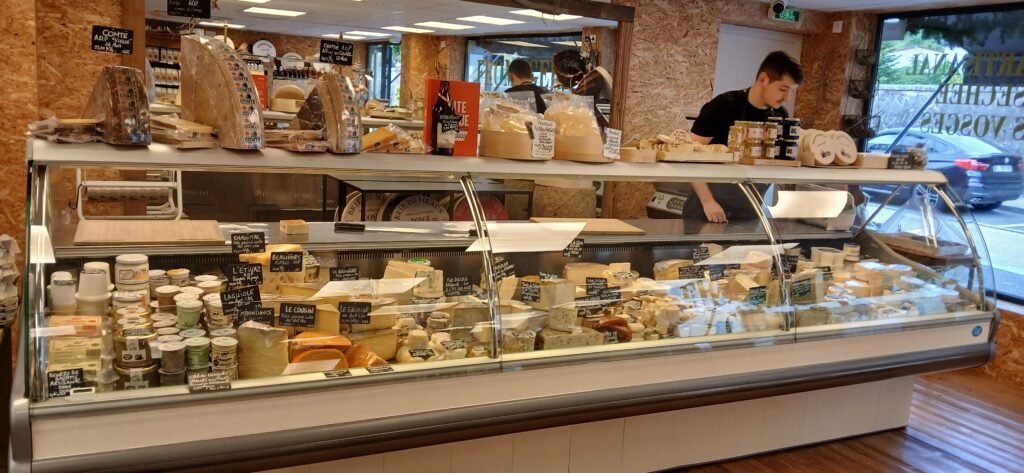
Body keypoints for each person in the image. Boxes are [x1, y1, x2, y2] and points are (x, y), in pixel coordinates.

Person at [683, 51, 804, 223]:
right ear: (763, 79)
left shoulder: (780, 117)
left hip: (749, 211)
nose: (787, 97)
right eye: (782, 89)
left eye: (791, 91)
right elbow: (689, 156)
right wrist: (708, 201)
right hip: (707, 209)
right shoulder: (724, 105)